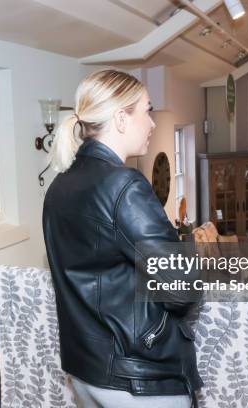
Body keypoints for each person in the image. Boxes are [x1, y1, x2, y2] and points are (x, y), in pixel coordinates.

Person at [42, 69, 203, 408]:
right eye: (147, 110)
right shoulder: (124, 185)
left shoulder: (61, 185)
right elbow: (183, 289)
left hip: (87, 372)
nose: (153, 123)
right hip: (137, 379)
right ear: (120, 118)